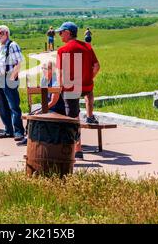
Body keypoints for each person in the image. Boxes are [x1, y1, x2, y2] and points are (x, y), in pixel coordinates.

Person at [55, 21, 100, 159]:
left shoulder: (62, 50)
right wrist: (88, 78)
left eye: (61, 32)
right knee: (89, 94)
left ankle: (77, 148)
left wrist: (60, 88)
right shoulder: (87, 46)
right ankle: (90, 115)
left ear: (68, 32)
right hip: (86, 87)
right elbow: (96, 66)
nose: (59, 35)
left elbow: (60, 73)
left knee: (73, 118)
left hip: (70, 88)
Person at [17, 61, 65, 146]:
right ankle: (29, 138)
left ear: (51, 70)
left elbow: (54, 101)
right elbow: (42, 91)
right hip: (49, 106)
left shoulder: (55, 80)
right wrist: (32, 88)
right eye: (42, 68)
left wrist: (42, 110)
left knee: (36, 115)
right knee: (31, 114)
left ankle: (33, 139)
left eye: (45, 68)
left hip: (58, 108)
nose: (43, 70)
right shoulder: (44, 78)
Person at [0, 25, 25, 141]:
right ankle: (8, 130)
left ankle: (19, 132)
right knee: (2, 106)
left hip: (8, 77)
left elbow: (19, 62)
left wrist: (12, 78)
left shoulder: (12, 45)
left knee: (13, 106)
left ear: (6, 33)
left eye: (0, 33)